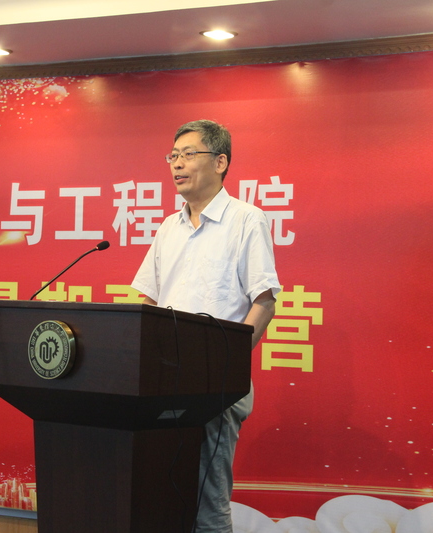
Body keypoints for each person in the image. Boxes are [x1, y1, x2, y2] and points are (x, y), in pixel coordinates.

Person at [131, 119, 281, 533]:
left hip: (214, 389)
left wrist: (226, 367)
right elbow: (148, 301)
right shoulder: (168, 227)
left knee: (207, 507)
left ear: (220, 162)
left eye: (188, 154)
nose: (177, 164)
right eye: (173, 156)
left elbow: (264, 302)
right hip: (162, 384)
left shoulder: (246, 220)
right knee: (161, 500)